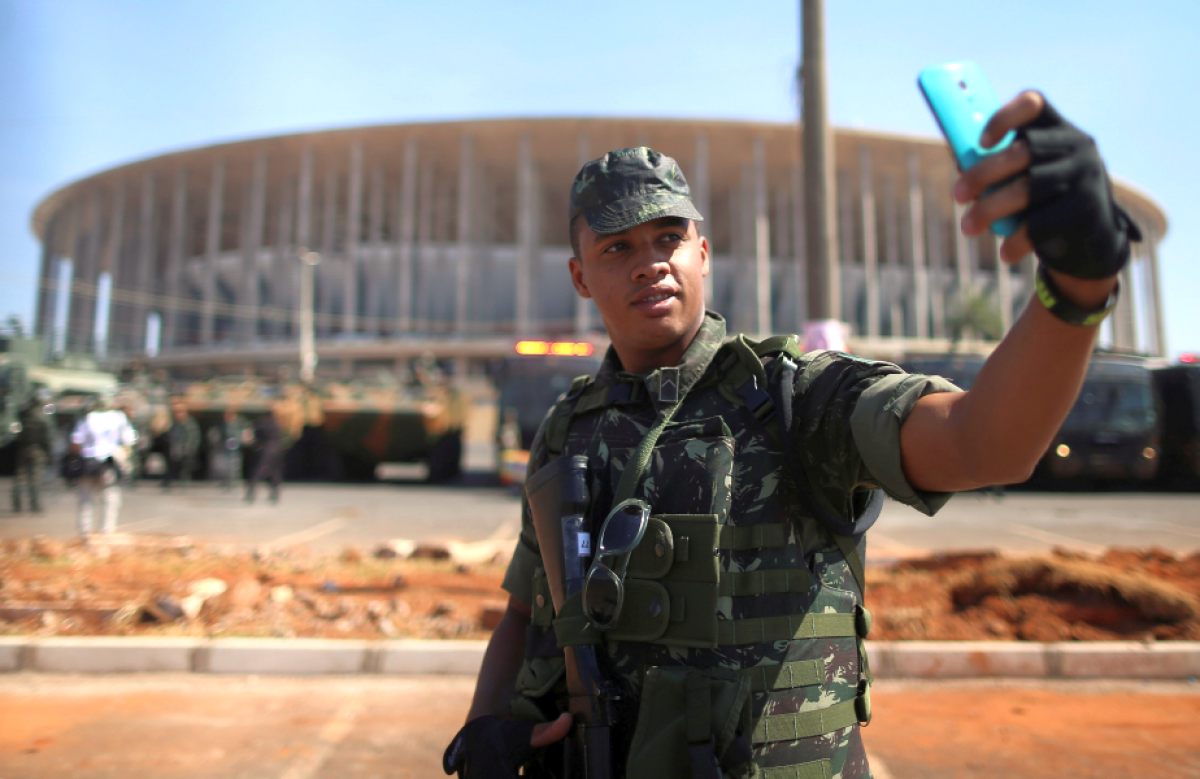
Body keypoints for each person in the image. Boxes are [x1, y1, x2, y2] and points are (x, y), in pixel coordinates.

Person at [446, 91, 1141, 779]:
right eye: (617, 245)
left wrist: (1076, 287)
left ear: (703, 252)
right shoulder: (570, 428)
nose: (650, 261)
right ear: (579, 277)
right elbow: (525, 611)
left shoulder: (795, 396)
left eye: (668, 238)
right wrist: (485, 725)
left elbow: (982, 443)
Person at [70, 394, 136, 542]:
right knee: (110, 497)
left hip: (88, 461)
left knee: (86, 498)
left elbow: (75, 442)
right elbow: (129, 441)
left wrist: (79, 457)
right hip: (108, 461)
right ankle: (107, 531)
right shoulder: (119, 418)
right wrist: (123, 458)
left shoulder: (88, 417)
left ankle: (84, 532)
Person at [11, 389, 53, 513]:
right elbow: (46, 438)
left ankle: (17, 504)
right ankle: (35, 505)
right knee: (35, 479)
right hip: (37, 450)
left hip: (23, 449)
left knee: (20, 478)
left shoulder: (23, 415)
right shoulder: (43, 417)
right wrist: (49, 454)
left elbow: (16, 432)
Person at [245, 403, 286, 504]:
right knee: (275, 471)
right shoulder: (277, 424)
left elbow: (253, 436)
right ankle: (274, 493)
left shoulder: (260, 423)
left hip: (265, 448)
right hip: (276, 448)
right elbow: (282, 436)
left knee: (258, 470)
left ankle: (251, 492)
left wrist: (255, 445)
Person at [208, 407, 253, 491]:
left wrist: (245, 439)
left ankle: (233, 482)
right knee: (222, 466)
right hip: (222, 448)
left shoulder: (240, 423)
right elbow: (214, 434)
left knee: (234, 466)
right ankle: (224, 481)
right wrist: (215, 440)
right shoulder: (220, 424)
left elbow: (247, 433)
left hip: (235, 449)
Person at [162, 402, 200, 491]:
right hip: (175, 449)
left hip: (185, 450)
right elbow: (170, 435)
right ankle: (168, 481)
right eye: (177, 412)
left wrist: (188, 449)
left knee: (184, 467)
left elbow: (193, 437)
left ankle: (183, 482)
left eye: (180, 412)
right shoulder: (174, 424)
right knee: (172, 465)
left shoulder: (189, 424)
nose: (178, 414)